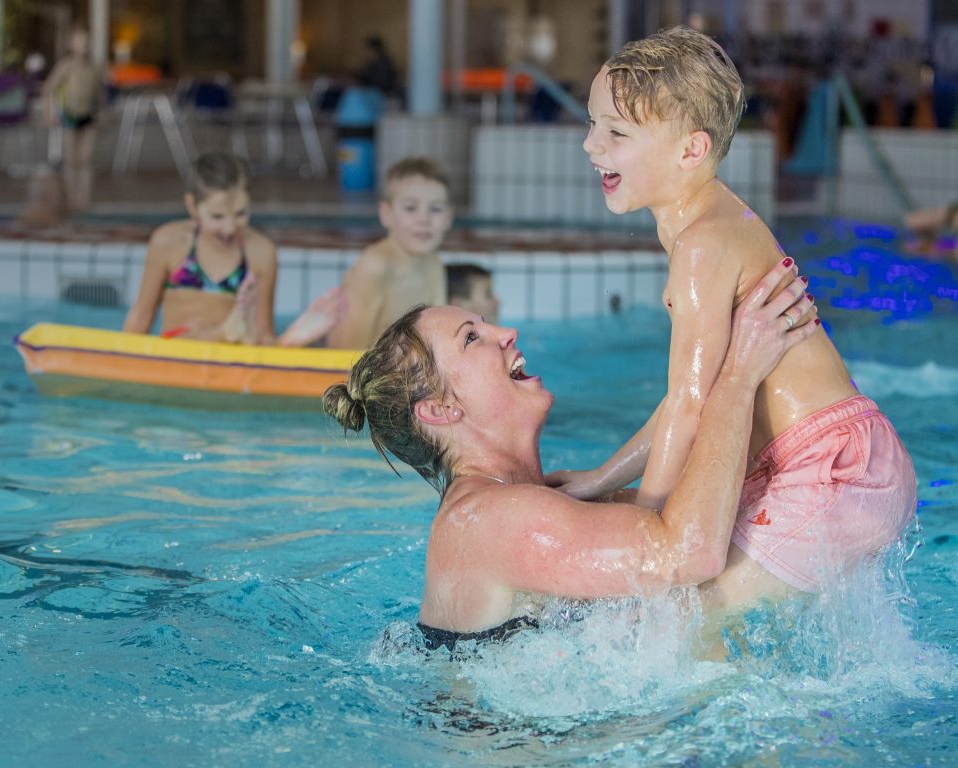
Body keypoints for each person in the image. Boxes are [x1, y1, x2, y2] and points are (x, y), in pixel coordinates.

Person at [547, 26, 917, 609]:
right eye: (593, 124)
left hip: (832, 470)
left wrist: (653, 526)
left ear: (690, 151)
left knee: (690, 611)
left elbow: (692, 406)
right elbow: (691, 399)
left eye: (616, 132)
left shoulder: (702, 245)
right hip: (836, 458)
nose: (592, 146)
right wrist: (599, 480)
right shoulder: (705, 223)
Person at [324, 261, 871, 650]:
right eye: (473, 338)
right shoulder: (484, 520)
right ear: (440, 410)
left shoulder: (524, 505)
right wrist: (739, 376)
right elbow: (688, 553)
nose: (505, 332)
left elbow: (693, 511)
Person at [123, 151, 344, 346]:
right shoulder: (169, 242)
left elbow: (263, 334)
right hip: (178, 352)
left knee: (250, 339)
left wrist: (270, 343)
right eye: (217, 216)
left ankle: (283, 339)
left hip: (230, 363)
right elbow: (140, 319)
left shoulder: (260, 252)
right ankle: (230, 332)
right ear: (192, 206)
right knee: (192, 335)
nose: (229, 228)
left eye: (240, 214)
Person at [326, 157, 452, 349]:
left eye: (435, 209)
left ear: (448, 217)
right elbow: (346, 350)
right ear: (386, 214)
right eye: (411, 208)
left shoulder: (434, 264)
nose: (424, 219)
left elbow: (440, 337)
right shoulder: (375, 266)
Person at [42, 26, 106, 212]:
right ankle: (70, 196)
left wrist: (102, 112)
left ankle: (84, 197)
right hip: (70, 115)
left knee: (86, 158)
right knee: (70, 159)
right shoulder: (66, 66)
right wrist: (49, 112)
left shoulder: (93, 68)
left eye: (86, 41)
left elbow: (99, 94)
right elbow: (48, 89)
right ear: (70, 45)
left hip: (88, 115)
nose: (83, 46)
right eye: (79, 42)